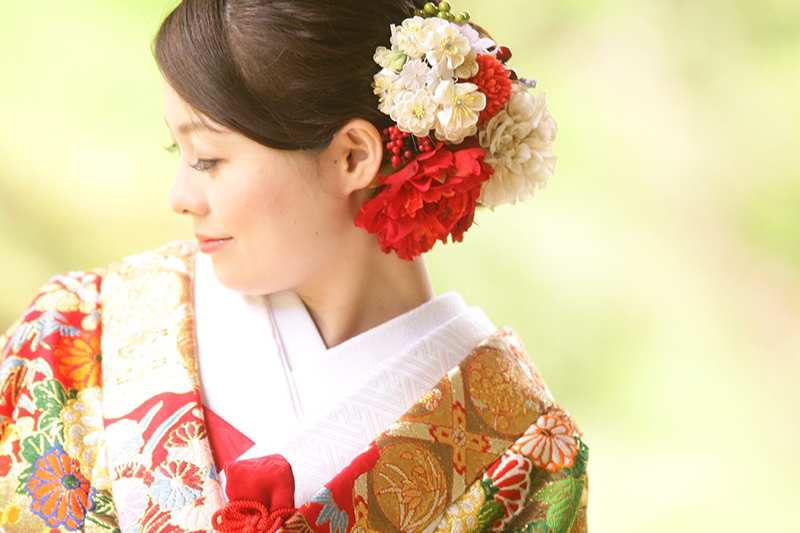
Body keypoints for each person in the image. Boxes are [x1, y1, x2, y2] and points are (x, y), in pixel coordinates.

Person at [0, 0, 588, 531]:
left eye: (207, 159)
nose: (179, 196)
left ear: (353, 156)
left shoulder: (525, 455)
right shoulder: (75, 334)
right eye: (176, 151)